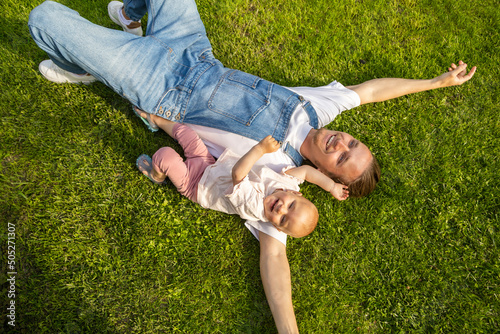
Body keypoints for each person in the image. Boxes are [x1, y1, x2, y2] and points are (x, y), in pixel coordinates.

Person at [28, 1, 476, 332]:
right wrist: (436, 82)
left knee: (44, 19)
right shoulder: (319, 109)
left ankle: (85, 66)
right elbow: (373, 90)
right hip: (195, 52)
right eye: (352, 142)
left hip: (160, 86)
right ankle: (130, 15)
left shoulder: (278, 179)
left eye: (341, 158)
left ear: (327, 176)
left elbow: (275, 259)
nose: (341, 143)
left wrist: (290, 332)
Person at [136, 118, 346, 237]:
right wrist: (331, 187)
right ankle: (156, 120)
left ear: (275, 226)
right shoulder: (286, 183)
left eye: (282, 219)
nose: (280, 209)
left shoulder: (254, 208)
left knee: (165, 156)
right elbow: (308, 173)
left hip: (196, 185)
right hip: (211, 163)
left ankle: (157, 176)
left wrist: (260, 149)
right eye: (290, 206)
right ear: (294, 193)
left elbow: (238, 174)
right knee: (187, 133)